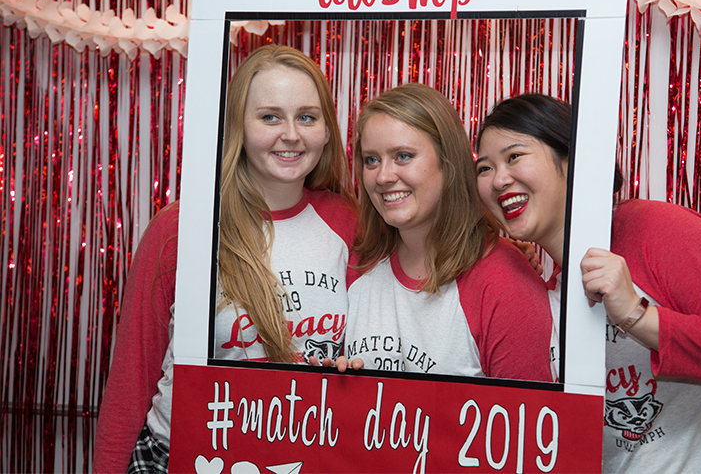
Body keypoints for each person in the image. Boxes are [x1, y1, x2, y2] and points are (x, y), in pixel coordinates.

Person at [474, 93, 701, 473]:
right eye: (483, 168)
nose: (498, 180)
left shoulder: (655, 230)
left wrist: (639, 318)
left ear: (570, 158)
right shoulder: (546, 291)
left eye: (514, 156)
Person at [94, 45, 357, 473]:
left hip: (302, 459)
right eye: (269, 116)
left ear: (327, 131)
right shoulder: (181, 227)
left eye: (307, 117)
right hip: (178, 457)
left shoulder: (351, 224)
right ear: (237, 125)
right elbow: (132, 376)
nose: (290, 133)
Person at [339, 83, 552, 381]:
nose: (384, 176)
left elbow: (525, 421)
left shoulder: (504, 282)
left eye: (403, 156)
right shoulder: (358, 266)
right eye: (371, 160)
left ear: (448, 163)